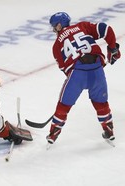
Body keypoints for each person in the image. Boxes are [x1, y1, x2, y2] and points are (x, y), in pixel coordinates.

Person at [46, 12, 121, 145]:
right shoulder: (82, 26)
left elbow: (64, 69)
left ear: (59, 25)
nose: (54, 30)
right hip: (97, 70)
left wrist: (78, 78)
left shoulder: (56, 46)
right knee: (101, 103)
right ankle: (109, 130)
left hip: (77, 74)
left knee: (63, 105)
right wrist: (113, 48)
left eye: (54, 26)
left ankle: (53, 134)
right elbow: (106, 29)